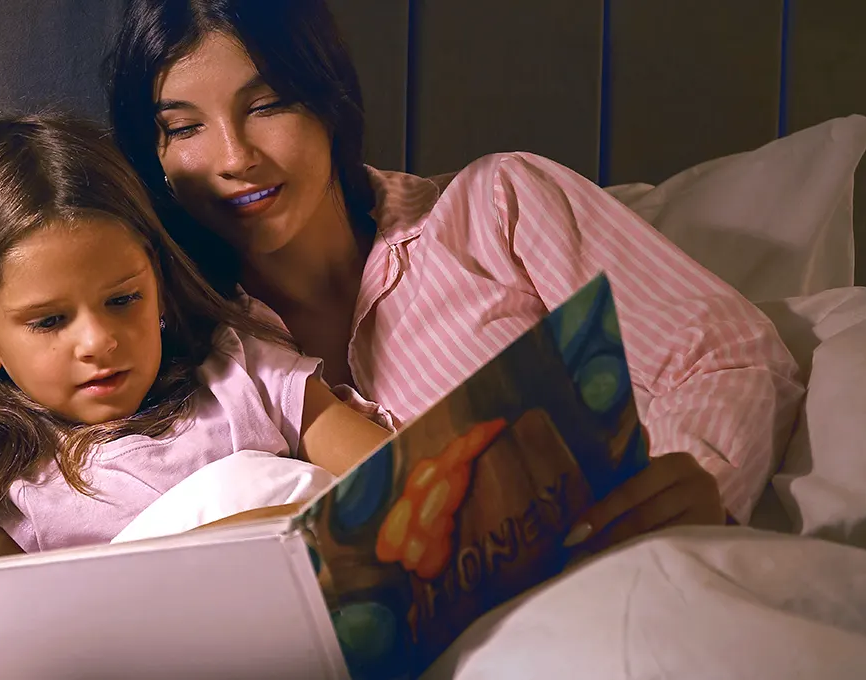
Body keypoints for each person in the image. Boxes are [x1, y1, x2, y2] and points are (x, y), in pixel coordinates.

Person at [104, 0, 803, 552]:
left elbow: (728, 352)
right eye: (186, 128)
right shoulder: (172, 330)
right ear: (156, 156)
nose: (234, 157)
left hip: (613, 590)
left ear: (327, 98)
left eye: (265, 106)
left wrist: (695, 475)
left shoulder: (500, 210)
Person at [0, 112, 393, 680]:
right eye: (50, 320)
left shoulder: (236, 369)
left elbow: (397, 479)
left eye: (123, 299)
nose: (99, 341)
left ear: (153, 280)